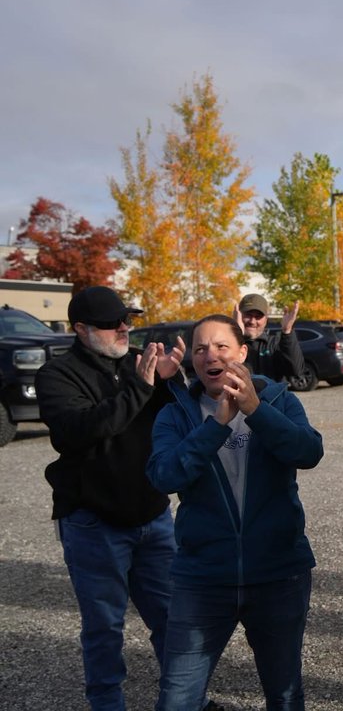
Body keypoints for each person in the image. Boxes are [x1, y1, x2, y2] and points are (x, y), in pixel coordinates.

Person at [147, 314, 323, 709]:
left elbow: (308, 452)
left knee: (285, 692)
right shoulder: (176, 413)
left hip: (278, 573)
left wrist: (256, 411)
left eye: (221, 346)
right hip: (202, 578)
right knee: (177, 698)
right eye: (200, 348)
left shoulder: (278, 399)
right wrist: (217, 426)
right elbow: (163, 475)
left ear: (243, 352)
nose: (210, 355)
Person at [35, 286, 186, 711]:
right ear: (81, 329)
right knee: (104, 626)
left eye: (127, 319)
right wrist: (142, 385)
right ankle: (106, 703)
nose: (124, 328)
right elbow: (83, 429)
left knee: (172, 617)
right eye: (111, 323)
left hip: (153, 515)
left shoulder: (140, 361)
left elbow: (171, 422)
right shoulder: (57, 375)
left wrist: (171, 383)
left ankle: (185, 697)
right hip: (93, 522)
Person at [237, 293, 303, 383]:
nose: (252, 321)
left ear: (266, 319)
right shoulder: (227, 344)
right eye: (248, 315)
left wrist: (287, 332)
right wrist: (236, 336)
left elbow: (296, 370)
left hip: (271, 397)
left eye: (258, 316)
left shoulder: (274, 343)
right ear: (238, 316)